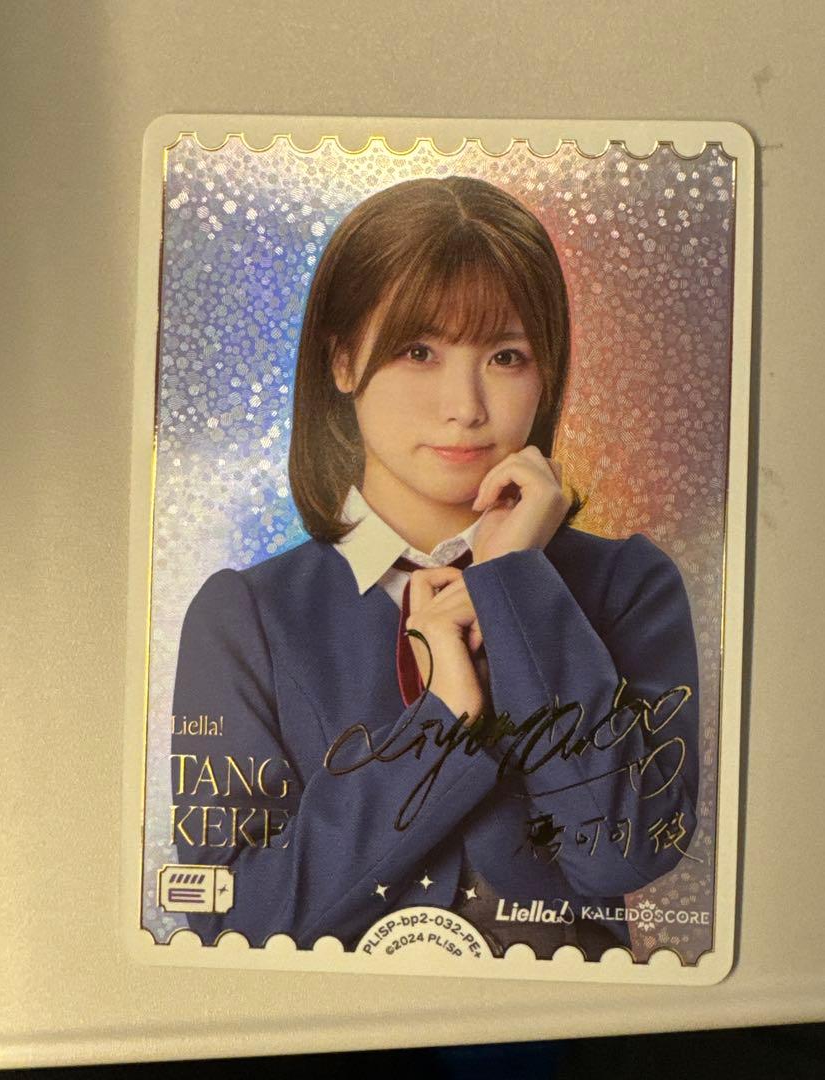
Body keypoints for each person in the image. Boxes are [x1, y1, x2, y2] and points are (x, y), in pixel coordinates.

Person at [170, 175, 700, 959]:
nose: (466, 406)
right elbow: (231, 919)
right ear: (342, 360)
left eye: (506, 356)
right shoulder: (247, 616)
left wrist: (515, 584)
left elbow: (622, 853)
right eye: (419, 351)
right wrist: (443, 725)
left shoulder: (627, 587)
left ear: (546, 373)